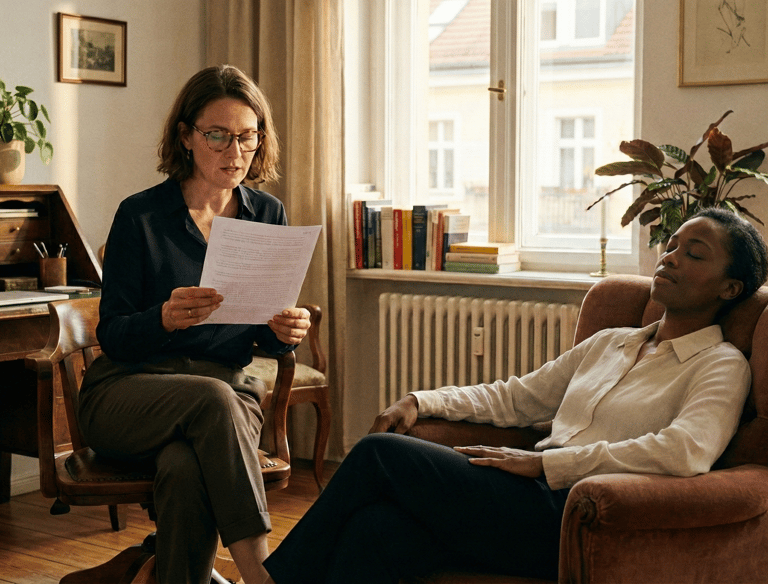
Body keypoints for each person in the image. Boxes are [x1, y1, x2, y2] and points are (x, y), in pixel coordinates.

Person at [263, 207, 768, 583]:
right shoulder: (612, 342)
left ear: (729, 289)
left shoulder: (720, 365)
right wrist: (422, 401)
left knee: (377, 453)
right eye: (673, 245)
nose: (672, 257)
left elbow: (686, 452)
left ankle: (268, 579)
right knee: (377, 529)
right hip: (528, 500)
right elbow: (517, 397)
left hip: (578, 514)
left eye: (694, 254)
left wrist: (549, 466)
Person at [78, 65, 309, 584]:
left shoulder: (266, 213)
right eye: (218, 136)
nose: (234, 153)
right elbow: (111, 334)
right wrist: (161, 318)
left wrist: (283, 329)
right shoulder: (139, 216)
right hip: (128, 392)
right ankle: (260, 572)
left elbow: (262, 337)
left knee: (184, 467)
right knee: (213, 398)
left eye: (247, 137)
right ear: (186, 135)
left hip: (224, 393)